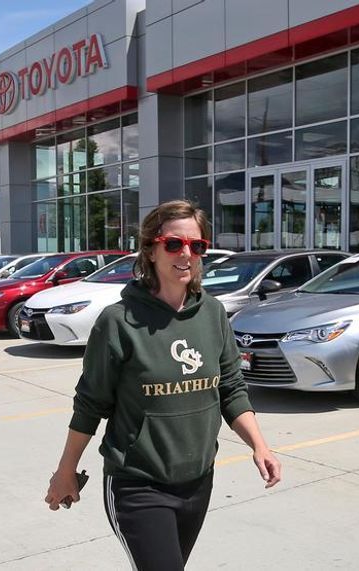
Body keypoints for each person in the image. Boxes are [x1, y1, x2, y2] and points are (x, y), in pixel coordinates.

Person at [44, 200, 281, 569]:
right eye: (174, 244)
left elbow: (231, 388)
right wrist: (65, 471)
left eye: (196, 246)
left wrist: (260, 446)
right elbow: (90, 405)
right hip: (138, 486)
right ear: (151, 250)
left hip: (199, 482)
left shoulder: (213, 313)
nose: (186, 254)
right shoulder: (119, 322)